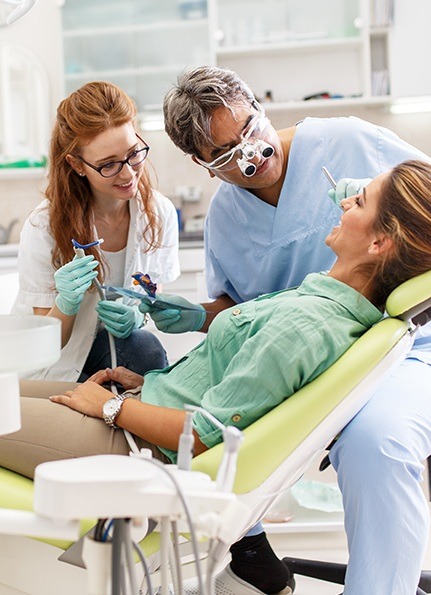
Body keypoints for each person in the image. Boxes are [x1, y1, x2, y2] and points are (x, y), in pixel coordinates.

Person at [2, 161, 431, 595]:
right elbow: (227, 385)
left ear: (379, 241)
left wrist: (113, 407)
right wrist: (148, 384)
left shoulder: (307, 325)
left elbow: (207, 434)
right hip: (142, 409)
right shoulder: (321, 300)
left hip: (136, 447)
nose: (343, 200)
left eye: (358, 201)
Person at [139, 66, 431, 595]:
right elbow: (249, 311)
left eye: (252, 130)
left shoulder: (349, 143)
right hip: (311, 365)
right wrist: (198, 314)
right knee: (212, 416)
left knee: (375, 441)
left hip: (406, 344)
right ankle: (250, 550)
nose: (253, 155)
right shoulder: (228, 217)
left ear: (260, 105)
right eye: (227, 156)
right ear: (202, 166)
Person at [12, 81, 180, 382]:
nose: (128, 173)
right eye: (109, 165)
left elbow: (153, 289)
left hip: (116, 350)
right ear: (77, 164)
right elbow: (47, 345)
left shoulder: (159, 212)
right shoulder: (43, 228)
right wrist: (65, 304)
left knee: (144, 348)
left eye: (133, 153)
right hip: (56, 363)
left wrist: (139, 315)